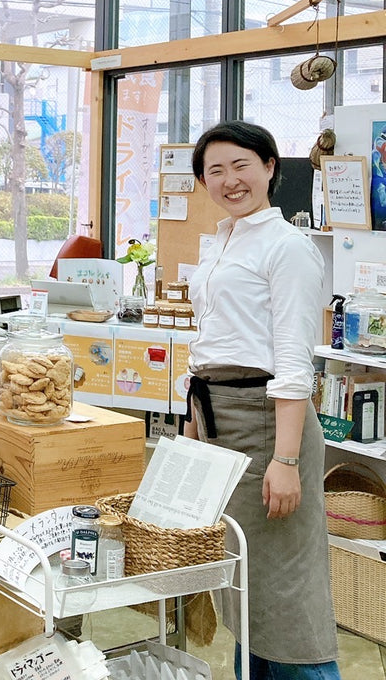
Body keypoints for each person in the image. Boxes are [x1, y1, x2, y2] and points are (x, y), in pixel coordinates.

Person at [185, 121, 340, 680]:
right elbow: (213, 342)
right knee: (244, 583)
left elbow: (294, 362)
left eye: (241, 165)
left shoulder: (288, 246)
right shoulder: (225, 240)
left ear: (271, 167)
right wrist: (195, 431)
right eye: (215, 171)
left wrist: (287, 459)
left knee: (287, 592)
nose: (229, 181)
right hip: (221, 419)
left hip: (272, 425)